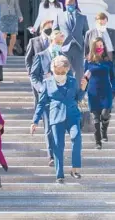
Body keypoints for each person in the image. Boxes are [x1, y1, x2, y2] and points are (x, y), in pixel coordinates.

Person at [31, 55, 88, 184]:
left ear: (67, 70)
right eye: (58, 71)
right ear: (53, 69)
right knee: (58, 145)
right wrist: (35, 121)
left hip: (73, 115)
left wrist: (84, 89)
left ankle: (75, 169)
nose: (60, 74)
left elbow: (78, 98)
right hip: (56, 117)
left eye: (63, 72)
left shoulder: (72, 81)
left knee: (76, 137)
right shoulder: (47, 83)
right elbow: (41, 103)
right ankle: (59, 174)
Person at [30, 30, 72, 166]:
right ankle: (52, 156)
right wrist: (42, 88)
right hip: (46, 97)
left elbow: (69, 75)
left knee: (60, 127)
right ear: (52, 40)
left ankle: (58, 152)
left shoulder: (64, 57)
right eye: (58, 41)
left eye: (61, 42)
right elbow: (33, 76)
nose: (60, 44)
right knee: (49, 127)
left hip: (61, 98)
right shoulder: (40, 56)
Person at [84, 37, 115, 150]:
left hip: (106, 91)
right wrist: (83, 91)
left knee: (105, 114)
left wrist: (113, 90)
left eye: (101, 45)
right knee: (96, 118)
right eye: (98, 45)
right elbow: (85, 77)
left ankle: (104, 131)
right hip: (93, 92)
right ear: (93, 47)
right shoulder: (88, 61)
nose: (100, 47)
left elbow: (113, 78)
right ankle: (98, 141)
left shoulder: (108, 61)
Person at [53, 0, 89, 86]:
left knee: (79, 73)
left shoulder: (82, 17)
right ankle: (66, 92)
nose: (70, 6)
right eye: (68, 4)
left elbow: (87, 35)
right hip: (64, 49)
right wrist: (55, 47)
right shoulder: (59, 16)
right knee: (64, 71)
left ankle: (78, 94)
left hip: (78, 48)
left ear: (75, 4)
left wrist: (87, 51)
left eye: (72, 4)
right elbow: (54, 33)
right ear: (65, 5)